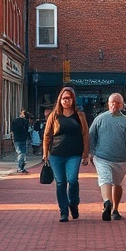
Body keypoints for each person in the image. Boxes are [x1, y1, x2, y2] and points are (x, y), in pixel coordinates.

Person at [42, 87, 90, 222]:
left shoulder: (79, 115)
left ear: (73, 99)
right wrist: (45, 153)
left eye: (68, 98)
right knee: (60, 182)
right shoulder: (54, 115)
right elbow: (47, 135)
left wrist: (85, 154)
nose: (66, 101)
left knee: (73, 180)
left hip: (74, 154)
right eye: (64, 98)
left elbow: (85, 134)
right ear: (60, 100)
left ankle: (73, 203)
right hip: (56, 155)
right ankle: (63, 211)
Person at [88, 93, 126, 221]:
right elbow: (91, 136)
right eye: (112, 102)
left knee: (118, 183)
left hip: (121, 159)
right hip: (102, 157)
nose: (114, 105)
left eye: (117, 102)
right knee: (105, 179)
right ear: (108, 104)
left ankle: (115, 208)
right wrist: (90, 153)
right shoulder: (100, 119)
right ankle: (107, 203)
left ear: (122, 105)